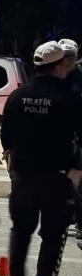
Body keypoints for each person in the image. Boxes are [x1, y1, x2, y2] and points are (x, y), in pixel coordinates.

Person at [1, 41, 82, 276]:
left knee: (20, 231)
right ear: (59, 66)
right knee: (54, 237)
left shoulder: (18, 96)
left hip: (24, 177)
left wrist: (12, 166)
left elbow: (7, 139)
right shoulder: (70, 99)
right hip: (57, 180)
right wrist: (77, 171)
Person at [59, 38, 82, 251]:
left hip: (78, 139)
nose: (67, 61)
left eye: (70, 57)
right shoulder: (55, 76)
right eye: (64, 57)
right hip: (58, 140)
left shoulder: (79, 76)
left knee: (79, 184)